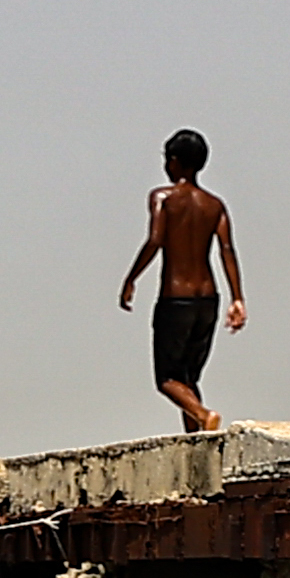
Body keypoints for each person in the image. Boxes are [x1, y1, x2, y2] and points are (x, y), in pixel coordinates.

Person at [121, 129, 245, 433]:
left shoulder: (163, 197)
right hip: (208, 298)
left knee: (167, 379)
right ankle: (197, 440)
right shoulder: (214, 205)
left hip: (176, 298)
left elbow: (155, 240)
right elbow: (227, 250)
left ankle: (204, 416)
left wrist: (131, 279)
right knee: (188, 377)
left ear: (175, 161)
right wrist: (237, 298)